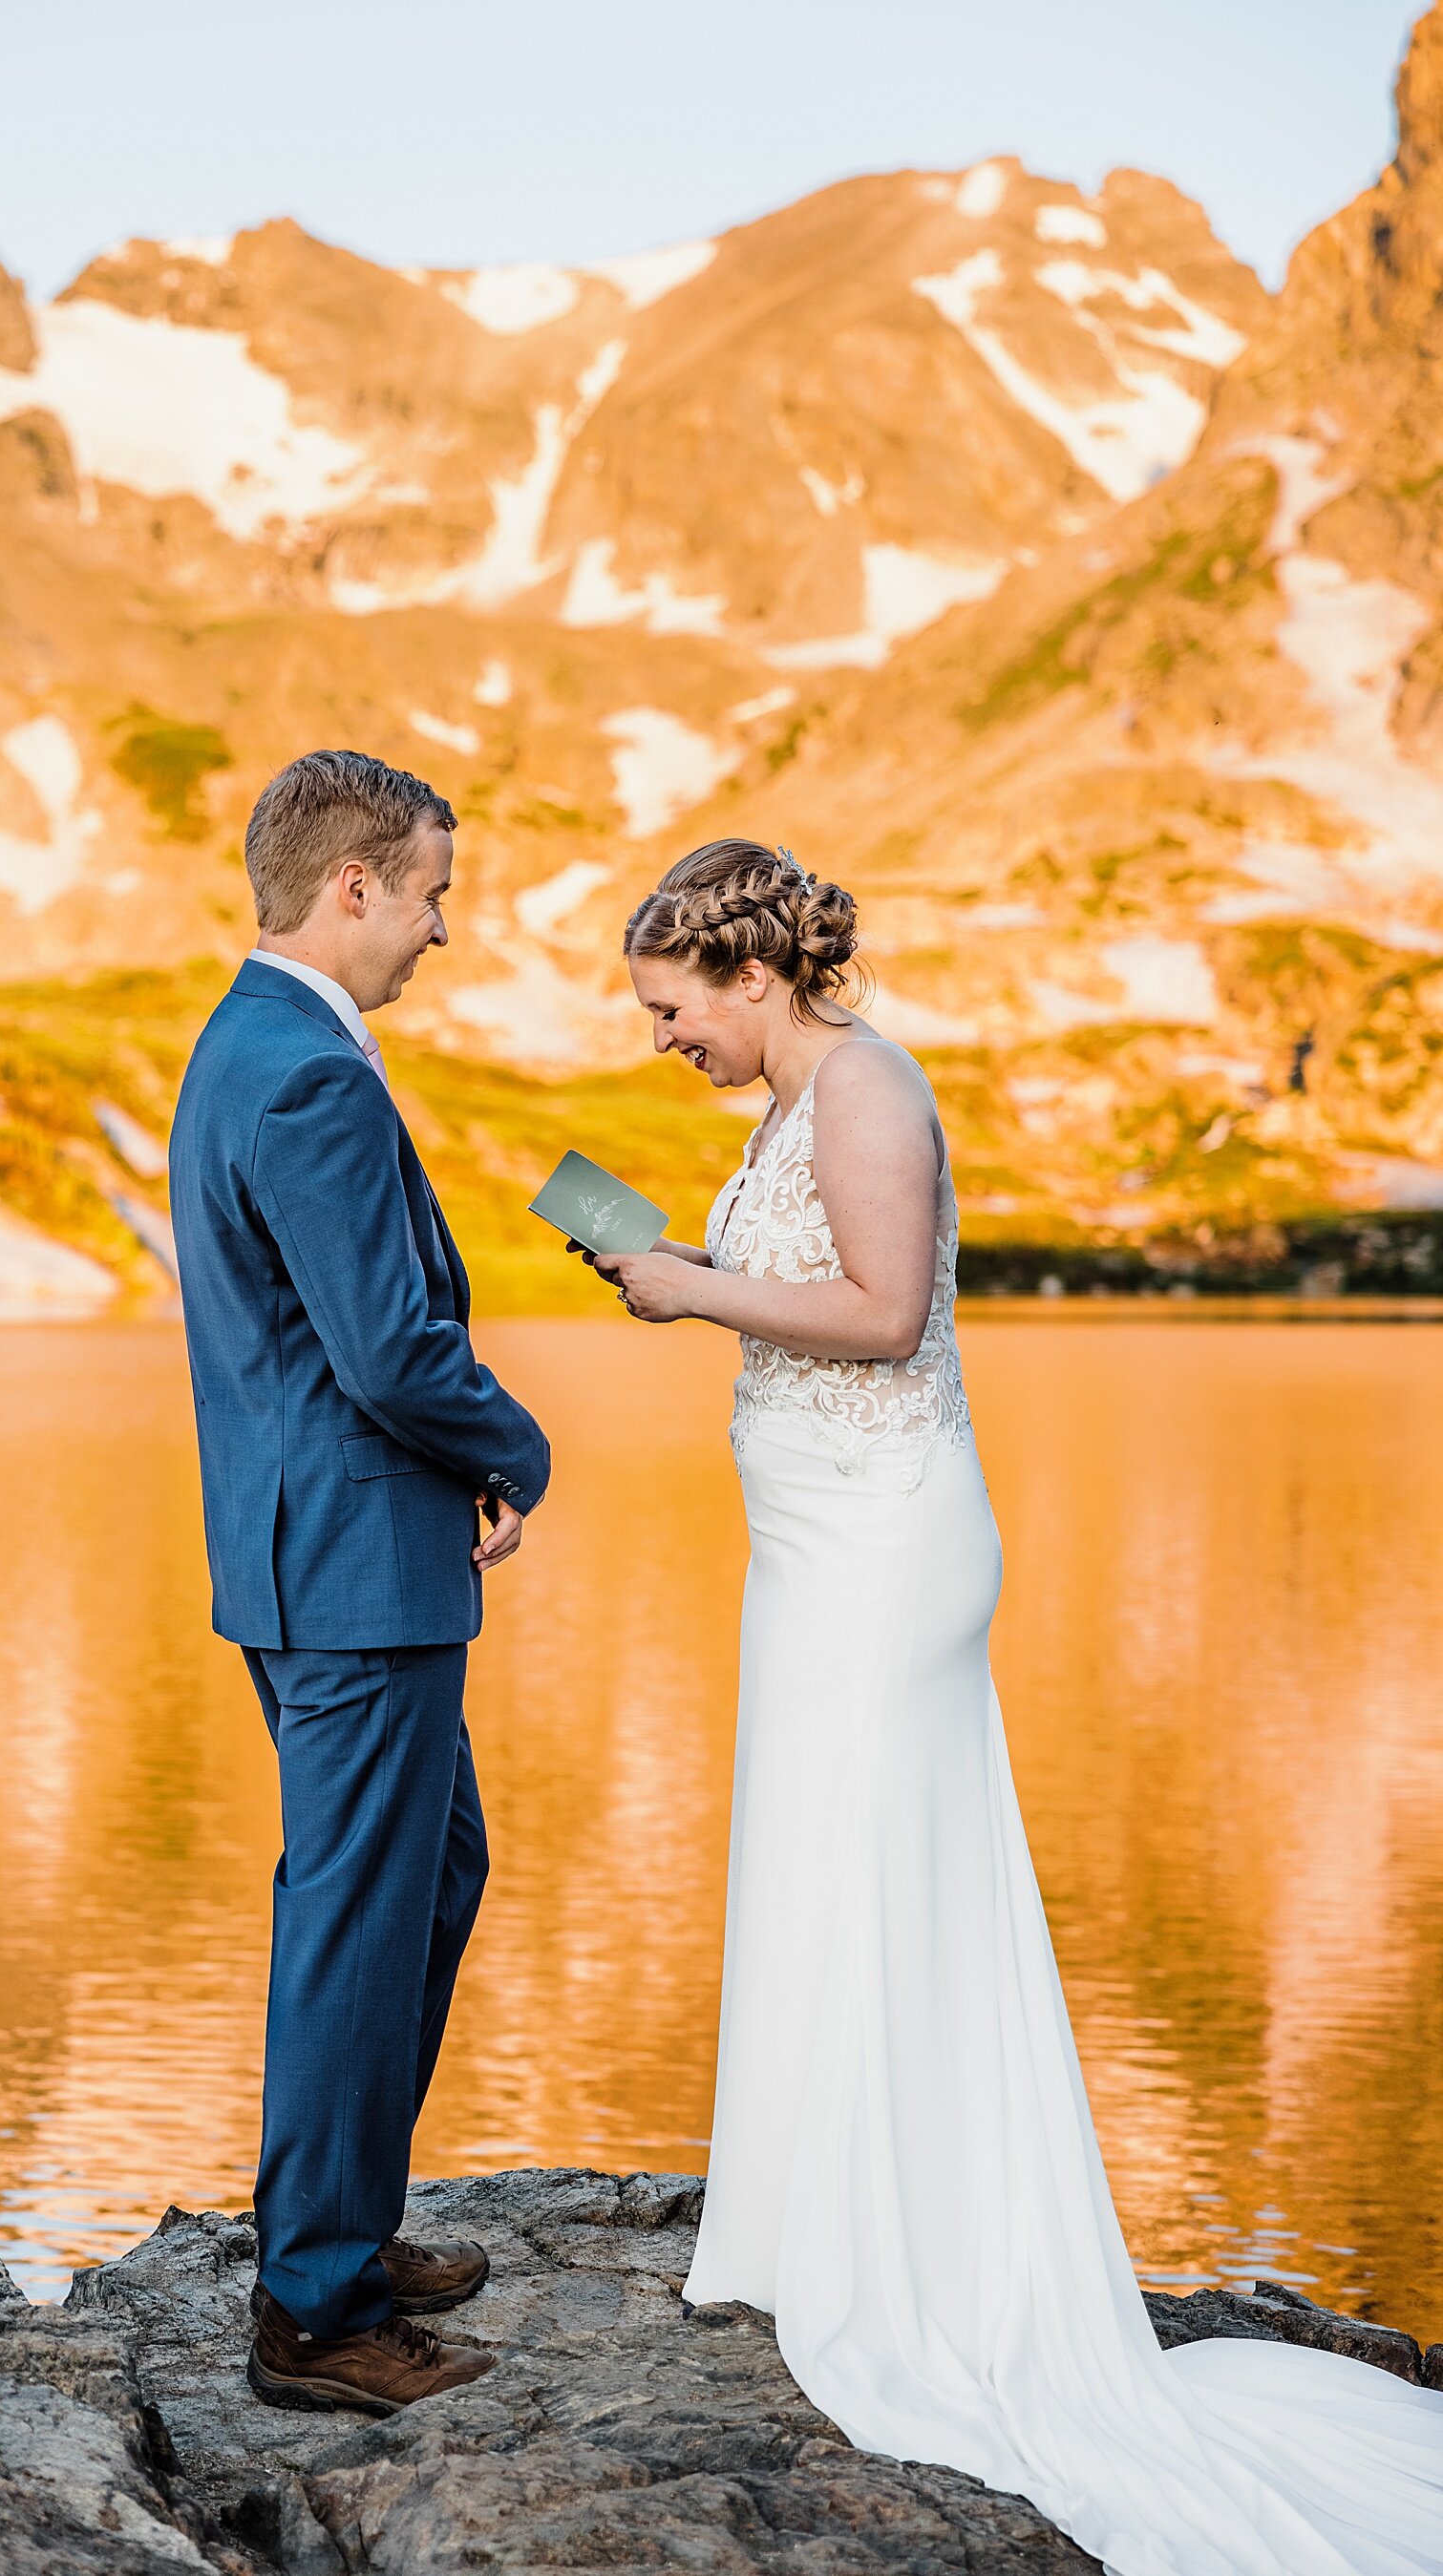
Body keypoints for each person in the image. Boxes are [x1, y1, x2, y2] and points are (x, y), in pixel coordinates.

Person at [592, 836, 1443, 2574]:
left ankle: (911, 2261)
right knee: (823, 1861)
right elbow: (815, 1286)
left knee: (875, 1858)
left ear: (751, 973)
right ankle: (816, 2219)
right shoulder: (787, 1107)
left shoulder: (871, 1091)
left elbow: (888, 1317)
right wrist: (688, 1264)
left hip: (887, 1549)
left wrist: (688, 1289)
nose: (661, 1040)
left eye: (673, 1010)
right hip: (817, 1542)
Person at [169, 750, 550, 2417]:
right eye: (431, 893)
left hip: (307, 1557)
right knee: (350, 1918)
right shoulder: (308, 1073)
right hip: (355, 1572)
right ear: (353, 890)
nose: (440, 929)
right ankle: (313, 2313)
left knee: (428, 1873)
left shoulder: (244, 1041)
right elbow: (388, 1346)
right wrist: (515, 1446)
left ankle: (344, 2220)